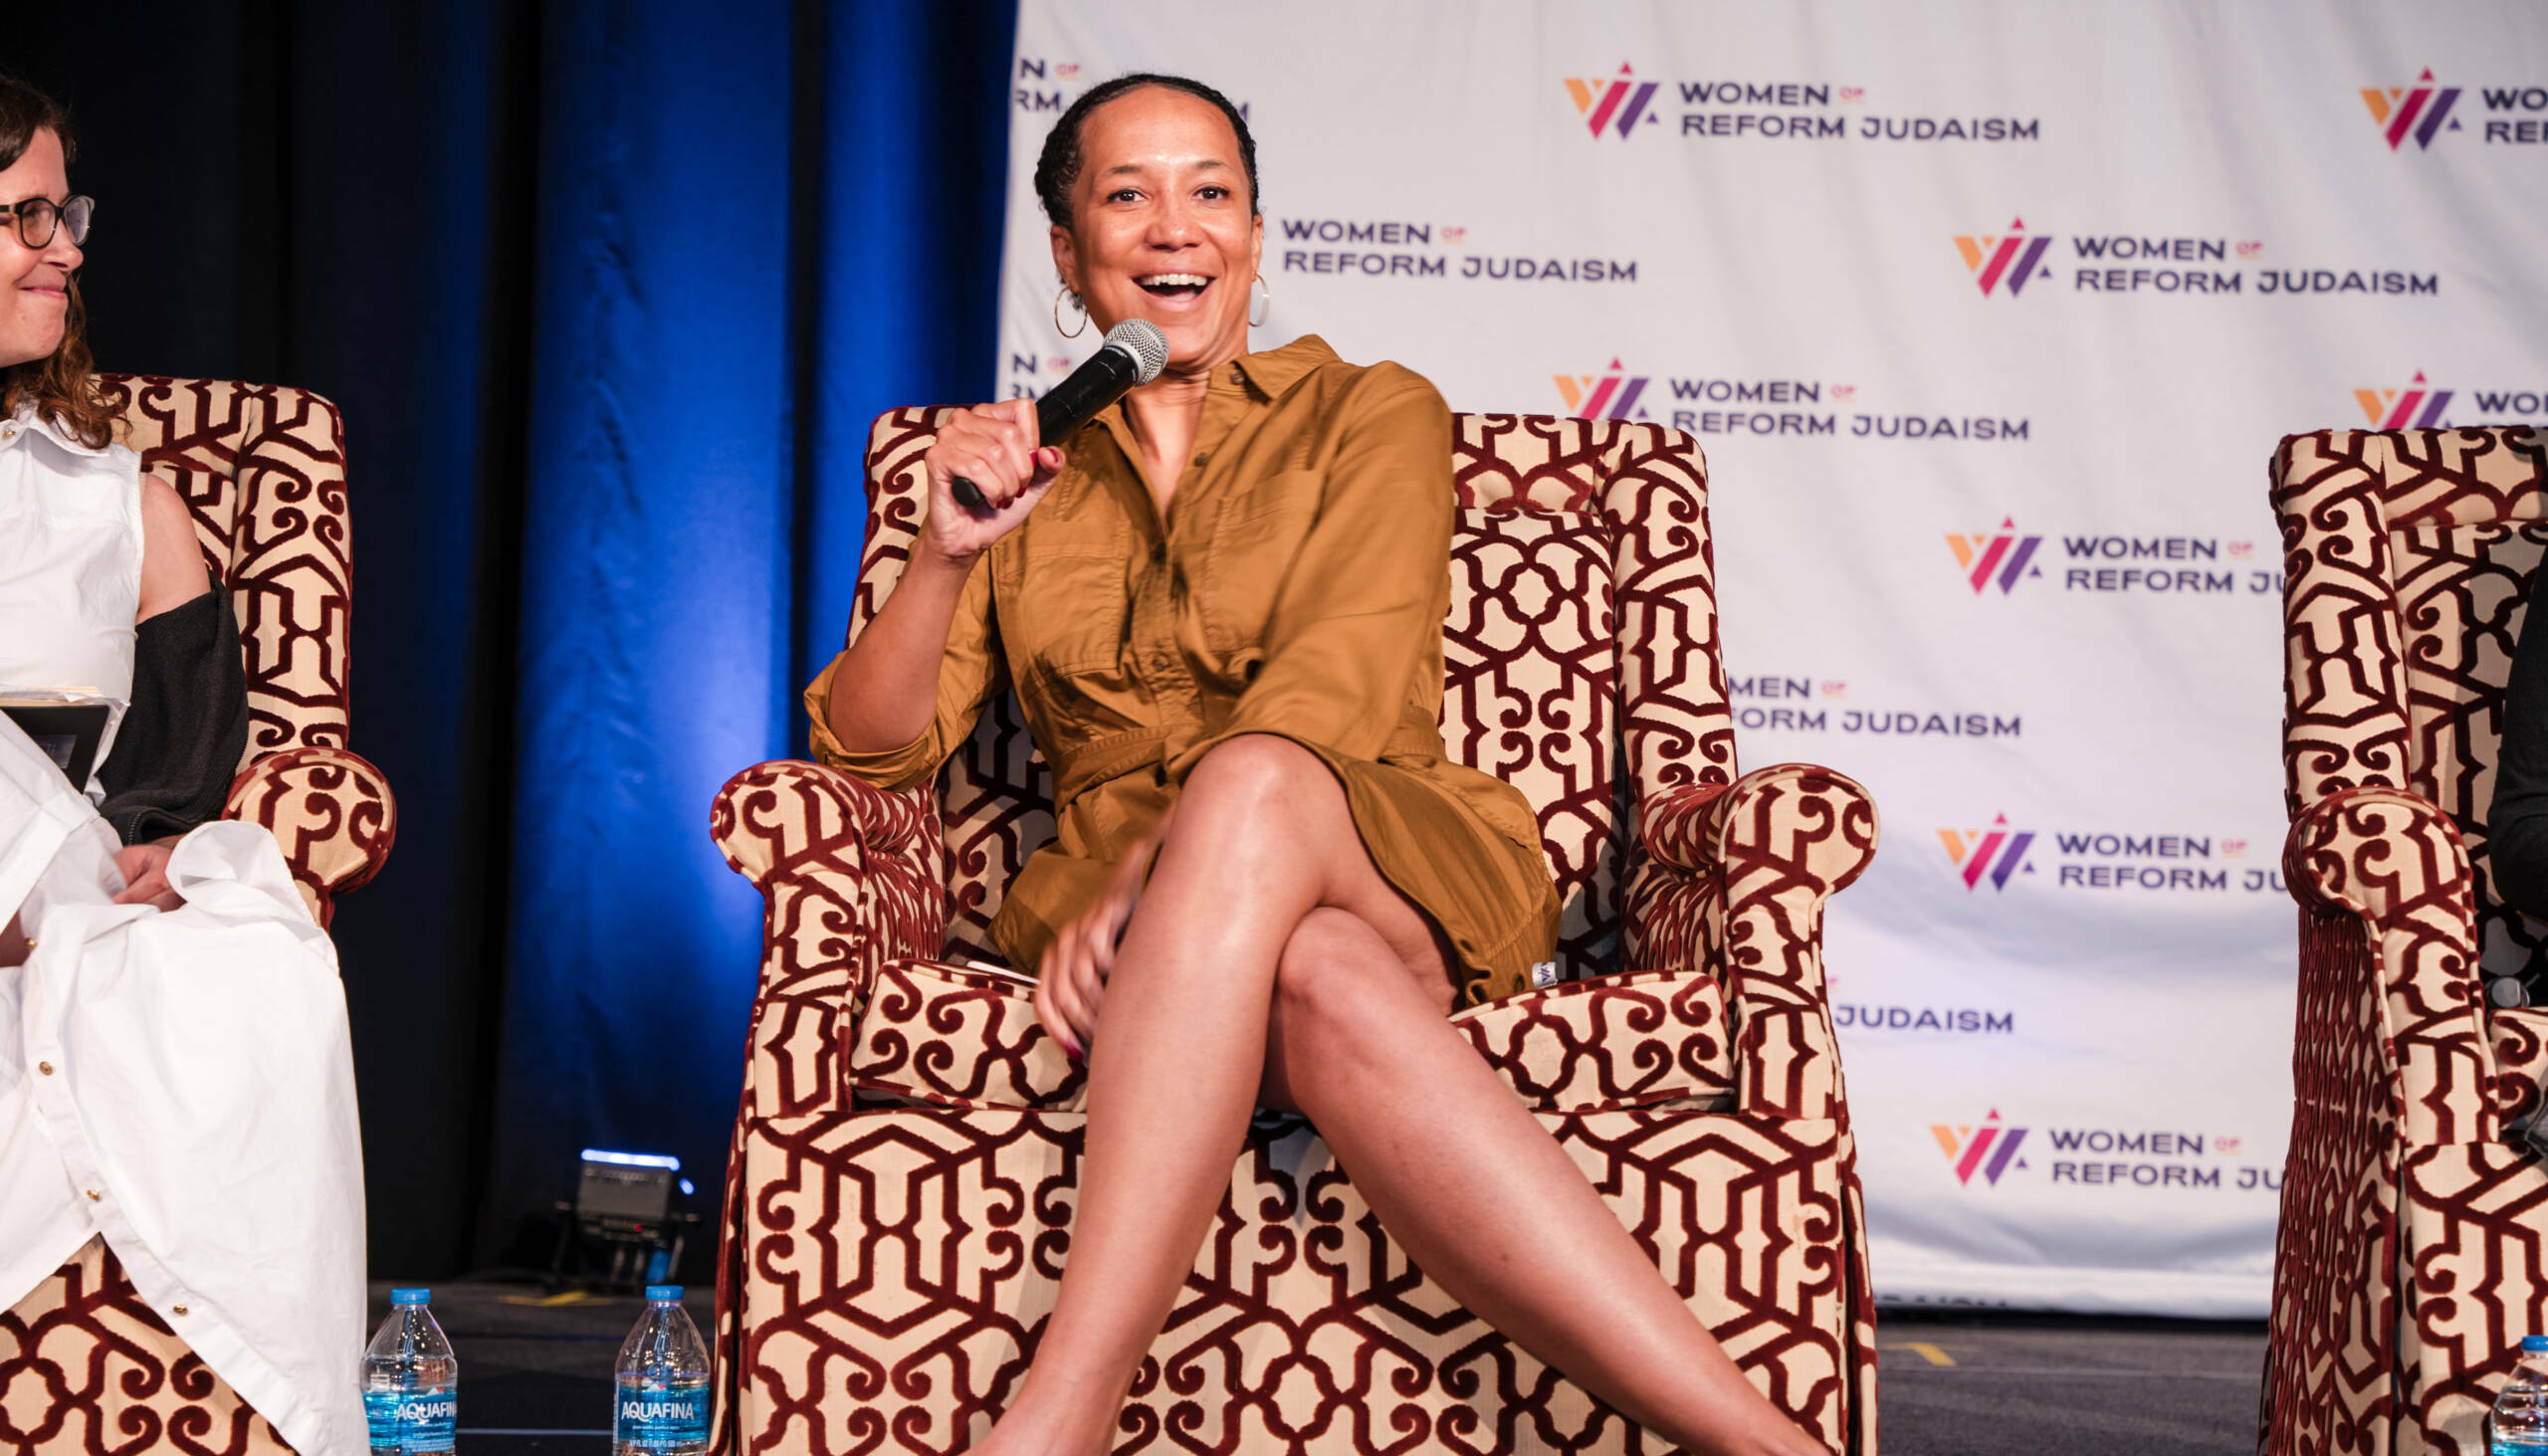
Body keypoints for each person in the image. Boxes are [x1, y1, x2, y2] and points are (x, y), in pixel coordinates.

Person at [806, 73, 1831, 1456]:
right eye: (1129, 194)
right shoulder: (1016, 463)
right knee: (1316, 980)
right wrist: (943, 556)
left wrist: (1157, 869)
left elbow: (1335, 689)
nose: (1177, 228)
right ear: (1068, 251)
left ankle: (1062, 1411)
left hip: (1381, 843)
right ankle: (1768, 1447)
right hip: (1146, 912)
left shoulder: (1373, 411)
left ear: (1256, 231)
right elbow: (867, 753)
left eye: (1211, 192)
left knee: (1256, 785)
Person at [0, 75, 365, 1455]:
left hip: (51, 893)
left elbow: (183, 745)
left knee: (244, 946)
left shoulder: (115, 494)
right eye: (25, 215)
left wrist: (151, 836)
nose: (68, 245)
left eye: (66, 211)